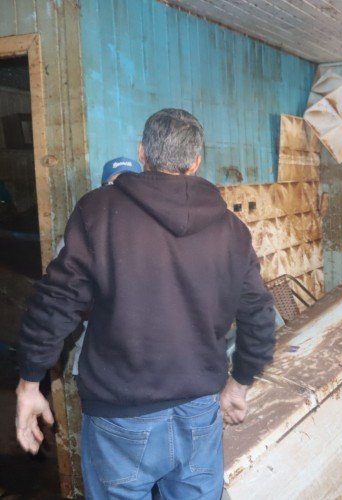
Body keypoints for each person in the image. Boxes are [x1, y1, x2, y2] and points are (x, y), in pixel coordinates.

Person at [15, 108, 276, 499]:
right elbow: (259, 315)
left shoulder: (98, 212)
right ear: (196, 162)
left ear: (142, 153)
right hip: (199, 412)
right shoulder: (231, 229)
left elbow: (57, 301)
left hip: (121, 417)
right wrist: (238, 385)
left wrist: (29, 382)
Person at [54, 156, 143, 378]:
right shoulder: (84, 230)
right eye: (113, 184)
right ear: (102, 189)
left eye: (128, 182)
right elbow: (61, 290)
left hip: (149, 357)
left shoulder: (155, 230)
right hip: (101, 353)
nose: (121, 192)